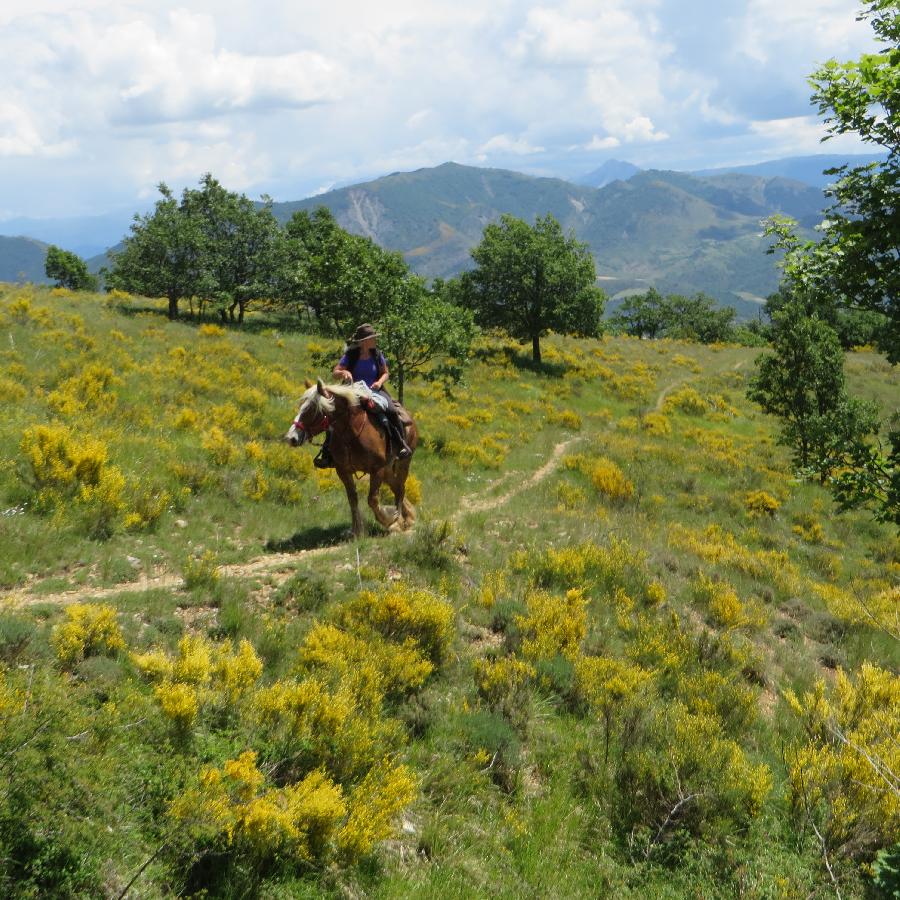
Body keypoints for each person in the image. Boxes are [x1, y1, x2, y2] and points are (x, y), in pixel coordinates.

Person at [314, 323, 412, 468]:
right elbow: (336, 372)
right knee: (334, 415)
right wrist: (343, 372)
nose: (375, 340)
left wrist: (379, 382)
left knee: (391, 410)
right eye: (373, 338)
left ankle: (400, 444)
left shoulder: (377, 354)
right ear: (365, 341)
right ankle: (327, 452)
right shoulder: (351, 355)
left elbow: (385, 373)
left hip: (375, 390)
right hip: (352, 391)